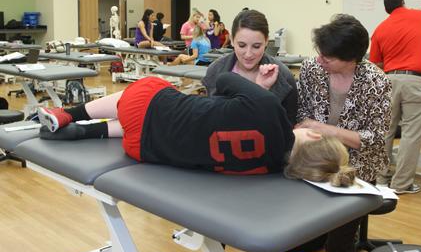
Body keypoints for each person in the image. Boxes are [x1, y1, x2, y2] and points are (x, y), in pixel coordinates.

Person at [38, 70, 354, 187]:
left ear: (314, 134)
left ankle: (70, 114)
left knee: (152, 87)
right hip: (143, 149)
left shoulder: (270, 108)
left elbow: (224, 82)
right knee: (154, 121)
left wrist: (259, 87)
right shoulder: (270, 169)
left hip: (144, 109)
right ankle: (92, 132)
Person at [296, 14, 392, 252]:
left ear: (351, 59)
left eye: (327, 58)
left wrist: (324, 129)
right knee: (306, 226)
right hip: (316, 160)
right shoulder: (311, 69)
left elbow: (374, 139)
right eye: (319, 52)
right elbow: (301, 114)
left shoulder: (377, 82)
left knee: (340, 244)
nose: (320, 60)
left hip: (358, 166)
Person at [370, 0, 421, 194]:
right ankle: (401, 184)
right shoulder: (420, 15)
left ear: (387, 10)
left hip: (389, 80)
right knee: (411, 134)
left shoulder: (380, 29)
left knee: (386, 131)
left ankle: (381, 178)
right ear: (403, 3)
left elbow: (376, 62)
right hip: (415, 81)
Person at [202, 10, 298, 125]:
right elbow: (211, 119)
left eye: (256, 46)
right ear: (232, 40)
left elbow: (288, 127)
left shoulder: (284, 76)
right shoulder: (215, 70)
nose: (248, 54)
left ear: (266, 41)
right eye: (241, 45)